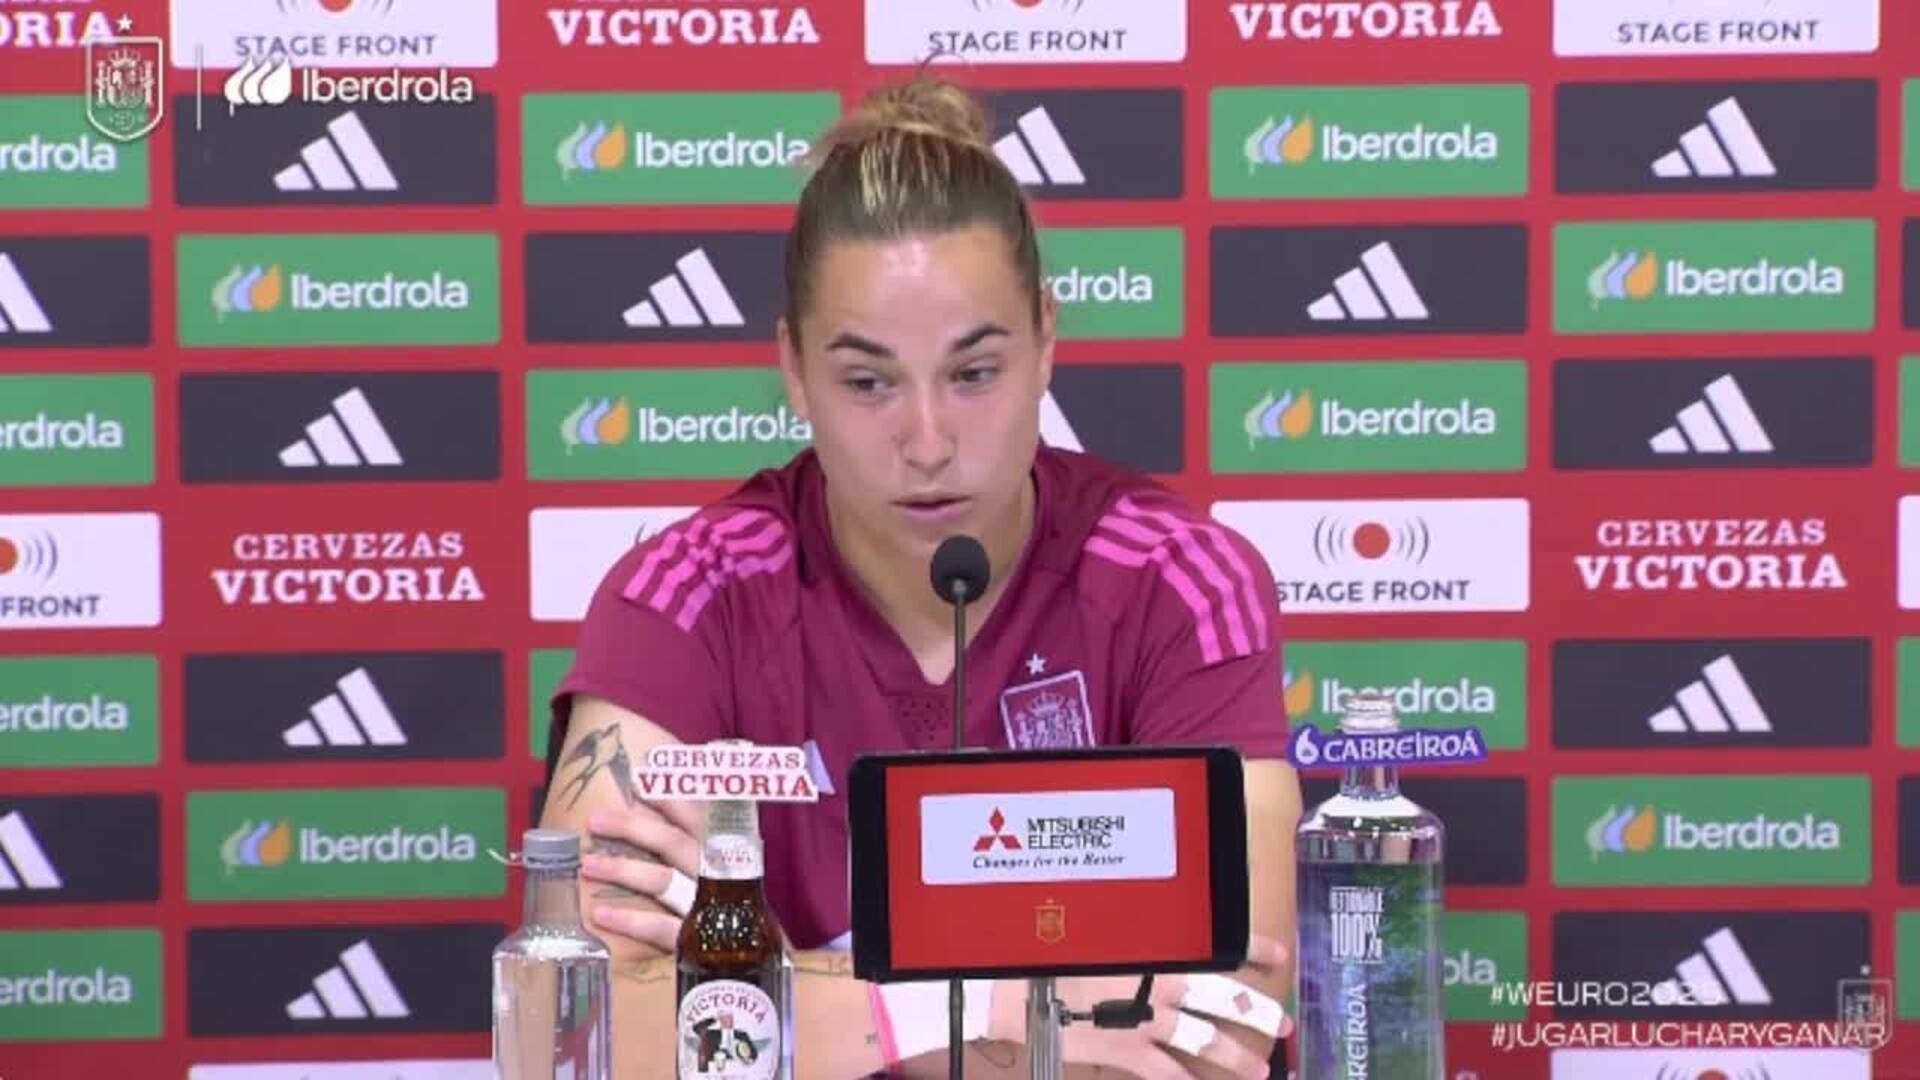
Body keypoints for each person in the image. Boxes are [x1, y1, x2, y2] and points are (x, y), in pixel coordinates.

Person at [538, 70, 1303, 1080]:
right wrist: (984, 1005)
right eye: (868, 382)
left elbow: (1224, 1032)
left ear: (1047, 341)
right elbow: (572, 1024)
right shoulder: (689, 598)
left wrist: (765, 994)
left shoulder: (1179, 580)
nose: (930, 442)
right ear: (793, 370)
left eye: (974, 373)